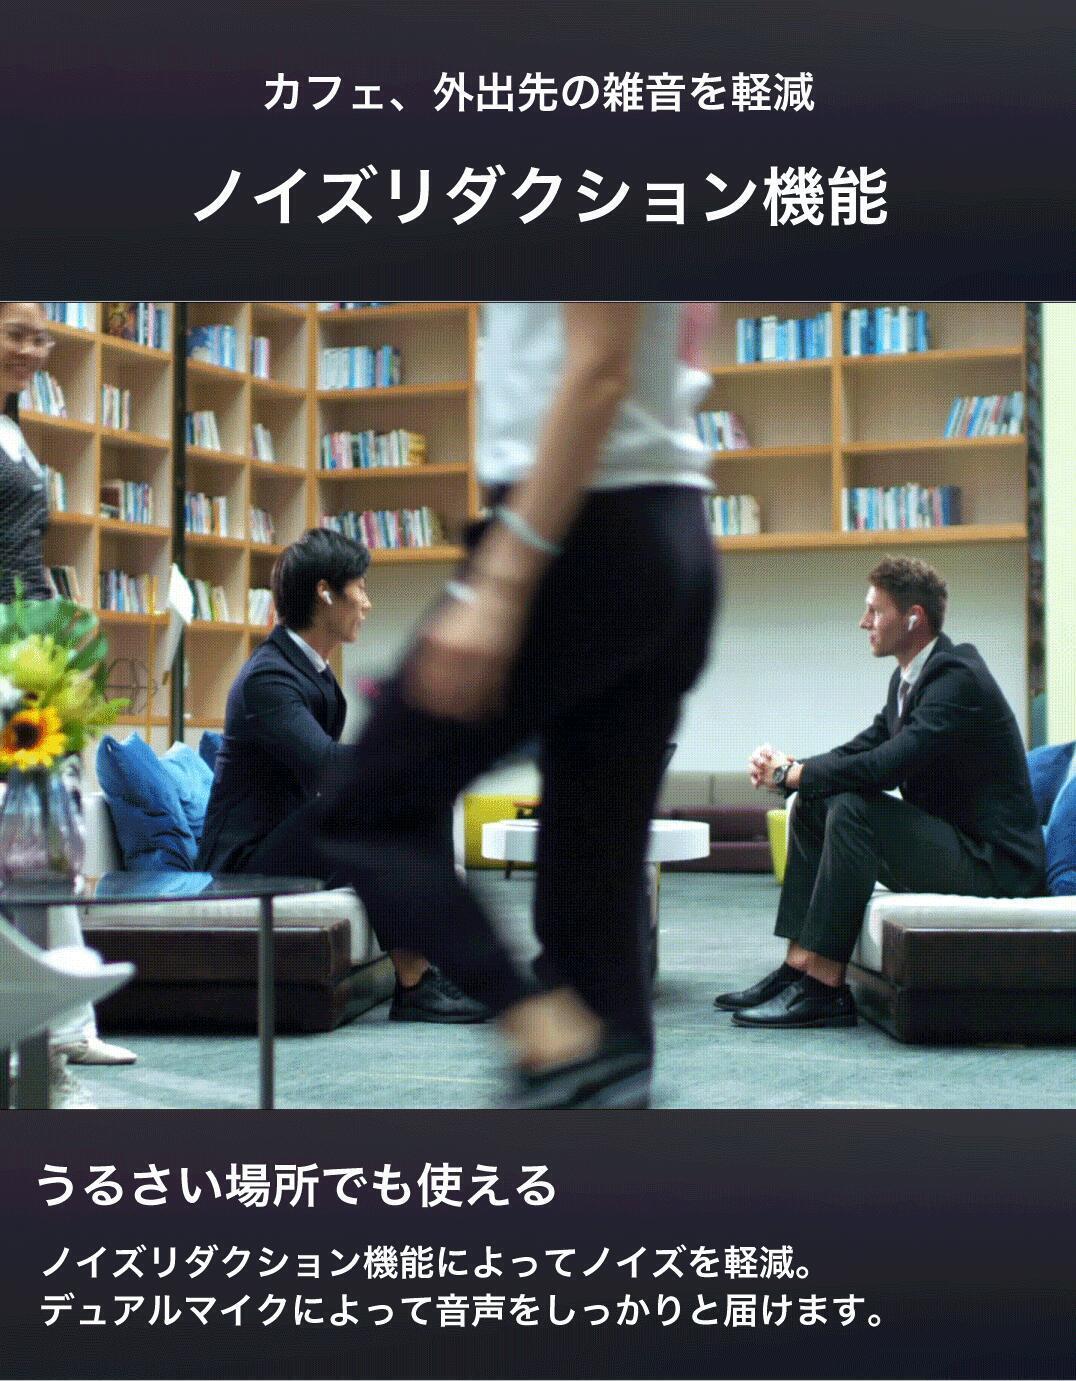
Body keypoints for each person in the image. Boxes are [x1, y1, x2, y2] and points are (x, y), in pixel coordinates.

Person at [310, 302, 720, 1107]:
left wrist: (501, 578)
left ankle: (546, 1039)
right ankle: (602, 1095)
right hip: (665, 531)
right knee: (592, 908)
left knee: (369, 814)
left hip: (579, 532)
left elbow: (598, 367)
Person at [716, 556, 1047, 1029]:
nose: (863, 622)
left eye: (874, 611)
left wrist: (793, 773)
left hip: (996, 867)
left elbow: (887, 766)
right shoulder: (908, 680)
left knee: (855, 808)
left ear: (913, 618)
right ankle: (799, 966)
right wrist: (789, 771)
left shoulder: (957, 678)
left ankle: (826, 988)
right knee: (813, 802)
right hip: (957, 846)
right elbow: (863, 748)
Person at [194, 527, 486, 1022]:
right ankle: (417, 986)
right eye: (361, 589)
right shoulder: (269, 677)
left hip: (288, 839)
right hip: (245, 862)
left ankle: (432, 974)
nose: (367, 604)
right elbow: (327, 766)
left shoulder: (310, 670)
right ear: (325, 593)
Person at [0, 301, 136, 1071]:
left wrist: (58, 633)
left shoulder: (13, 430)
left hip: (30, 647)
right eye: (16, 333)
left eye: (41, 336)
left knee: (48, 836)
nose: (32, 349)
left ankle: (66, 1024)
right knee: (26, 833)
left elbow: (27, 550)